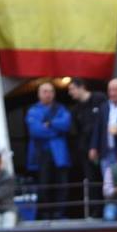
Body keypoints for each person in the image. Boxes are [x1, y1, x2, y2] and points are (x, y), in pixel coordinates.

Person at [26, 82, 72, 219]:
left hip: (59, 154)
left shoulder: (61, 109)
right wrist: (56, 132)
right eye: (44, 91)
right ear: (39, 94)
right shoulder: (33, 110)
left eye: (50, 91)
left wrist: (50, 124)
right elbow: (36, 131)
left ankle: (60, 213)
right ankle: (45, 214)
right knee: (44, 185)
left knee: (62, 185)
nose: (48, 94)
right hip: (41, 154)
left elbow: (66, 125)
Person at [68, 77, 107, 216]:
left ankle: (106, 208)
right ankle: (96, 210)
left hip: (103, 147)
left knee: (106, 178)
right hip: (85, 151)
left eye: (72, 89)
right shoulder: (76, 109)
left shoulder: (99, 99)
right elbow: (75, 131)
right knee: (91, 180)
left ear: (81, 87)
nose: (70, 93)